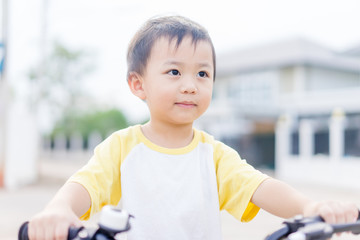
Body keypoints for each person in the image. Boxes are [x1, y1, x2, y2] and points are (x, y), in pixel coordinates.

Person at [28, 15, 359, 240]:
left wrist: (311, 208)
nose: (190, 85)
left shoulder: (213, 155)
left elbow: (260, 186)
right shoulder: (122, 148)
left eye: (203, 74)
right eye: (174, 72)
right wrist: (58, 210)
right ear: (137, 84)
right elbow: (84, 185)